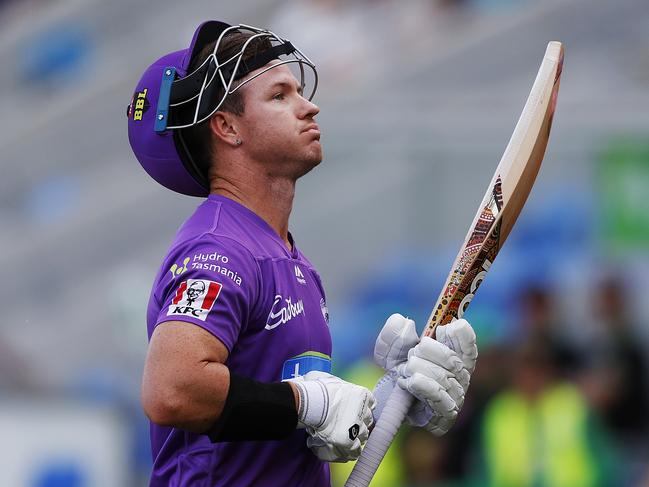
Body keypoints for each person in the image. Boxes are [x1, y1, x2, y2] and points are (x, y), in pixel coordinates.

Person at [127, 21, 478, 486]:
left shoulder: (289, 258)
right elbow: (172, 390)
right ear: (227, 126)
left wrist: (391, 400)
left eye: (299, 92)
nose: (309, 106)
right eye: (279, 96)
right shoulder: (220, 249)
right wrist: (308, 403)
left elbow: (285, 424)